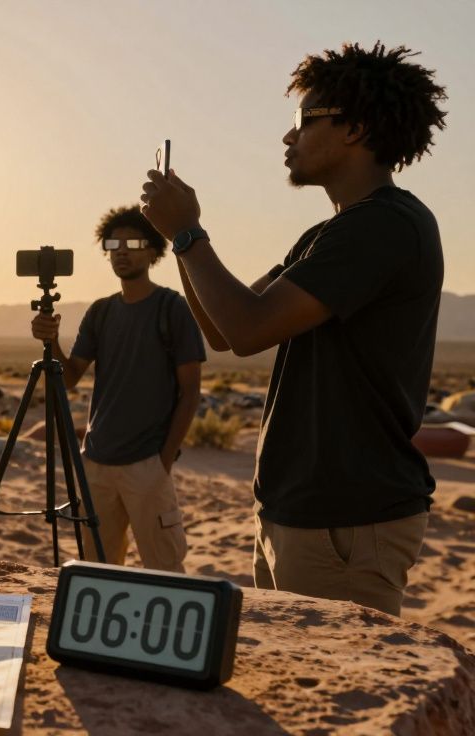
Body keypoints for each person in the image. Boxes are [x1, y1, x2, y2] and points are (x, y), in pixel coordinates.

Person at [139, 42, 446, 615]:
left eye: (304, 120)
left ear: (354, 128)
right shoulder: (327, 236)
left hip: (347, 521)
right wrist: (180, 239)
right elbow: (224, 330)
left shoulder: (384, 226)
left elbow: (250, 327)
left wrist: (187, 234)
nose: (288, 137)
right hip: (300, 516)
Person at [30, 205, 205, 572]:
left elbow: (191, 391)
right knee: (99, 567)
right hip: (96, 462)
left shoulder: (172, 308)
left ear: (153, 251)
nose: (122, 250)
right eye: (114, 243)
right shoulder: (101, 312)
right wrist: (51, 341)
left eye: (133, 242)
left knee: (164, 566)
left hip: (147, 463)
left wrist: (164, 459)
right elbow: (71, 375)